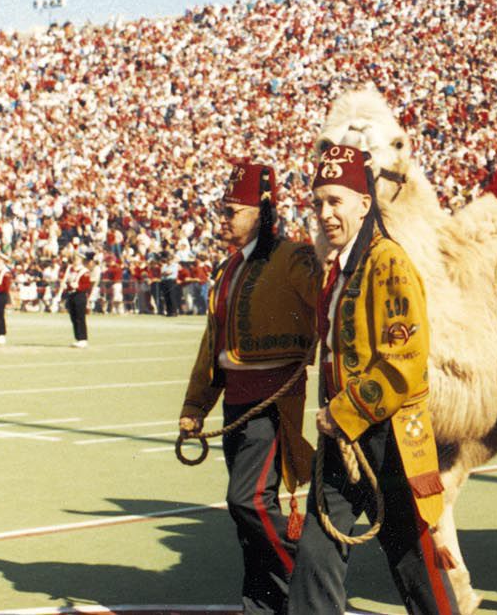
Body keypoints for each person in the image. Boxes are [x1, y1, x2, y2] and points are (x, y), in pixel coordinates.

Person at [289, 145, 459, 615]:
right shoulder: (340, 268)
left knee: (414, 562)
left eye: (335, 201)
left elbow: (405, 359)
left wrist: (343, 413)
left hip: (388, 441)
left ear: (364, 203)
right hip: (341, 442)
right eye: (318, 202)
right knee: (316, 554)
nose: (324, 213)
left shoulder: (389, 263)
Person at [178, 160, 321, 615]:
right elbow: (212, 345)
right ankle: (261, 605)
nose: (223, 219)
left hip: (272, 401)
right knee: (246, 519)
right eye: (223, 211)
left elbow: (330, 303)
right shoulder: (225, 270)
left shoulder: (294, 258)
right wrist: (196, 404)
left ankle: (309, 579)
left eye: (232, 210)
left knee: (248, 501)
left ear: (260, 211)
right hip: (236, 403)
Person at [65, 253, 96, 347]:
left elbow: (87, 285)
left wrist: (78, 287)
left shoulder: (84, 271)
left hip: (80, 295)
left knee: (80, 317)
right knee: (73, 318)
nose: (75, 261)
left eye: (77, 259)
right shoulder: (70, 270)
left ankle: (83, 339)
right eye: (74, 259)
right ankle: (78, 338)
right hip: (71, 294)